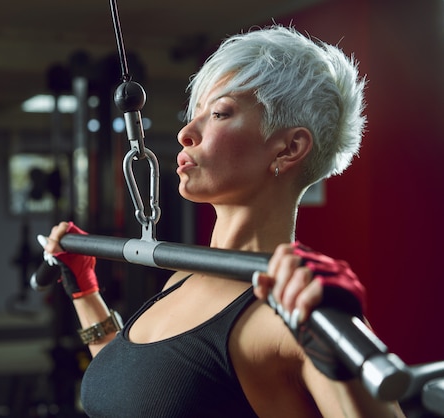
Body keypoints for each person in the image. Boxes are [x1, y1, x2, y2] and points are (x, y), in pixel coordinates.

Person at [39, 25, 405, 417]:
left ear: (289, 147)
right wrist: (85, 292)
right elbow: (132, 389)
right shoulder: (182, 277)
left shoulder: (291, 315)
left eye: (218, 113)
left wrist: (339, 347)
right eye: (192, 115)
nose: (185, 134)